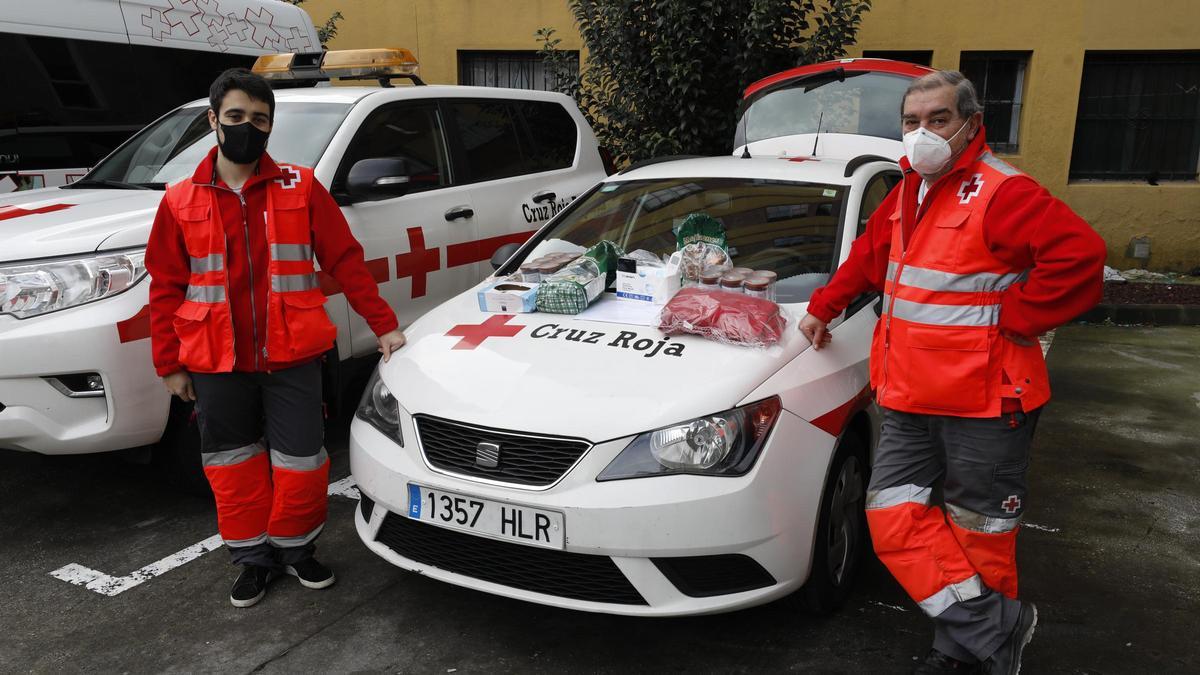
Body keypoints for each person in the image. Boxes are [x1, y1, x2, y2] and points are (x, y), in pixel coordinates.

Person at [799, 71, 1106, 674]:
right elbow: (870, 255)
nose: (921, 134)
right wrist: (823, 305)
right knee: (890, 518)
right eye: (911, 123)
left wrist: (1016, 317)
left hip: (989, 400)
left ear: (970, 122)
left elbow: (1081, 258)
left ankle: (963, 654)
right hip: (912, 393)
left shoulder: (1001, 192)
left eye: (937, 120)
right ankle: (999, 628)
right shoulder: (910, 189)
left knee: (979, 535)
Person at [146, 68, 406, 608]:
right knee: (231, 465)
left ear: (271, 126)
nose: (248, 127)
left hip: (293, 355)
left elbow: (345, 260)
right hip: (217, 361)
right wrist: (169, 364)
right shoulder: (178, 200)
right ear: (213, 120)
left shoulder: (301, 185)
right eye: (236, 117)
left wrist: (384, 325)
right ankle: (251, 559)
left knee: (303, 461)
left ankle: (295, 549)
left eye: (259, 119)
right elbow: (166, 287)